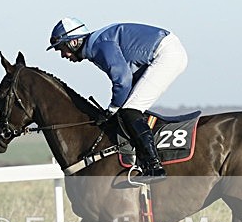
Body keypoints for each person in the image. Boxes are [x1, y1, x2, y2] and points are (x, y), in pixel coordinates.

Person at [47, 17, 188, 182]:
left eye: (62, 48)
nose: (63, 55)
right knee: (128, 109)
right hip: (163, 51)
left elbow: (123, 80)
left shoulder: (97, 45)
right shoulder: (97, 43)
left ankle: (154, 167)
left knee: (129, 110)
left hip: (166, 54)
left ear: (74, 42)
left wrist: (112, 108)